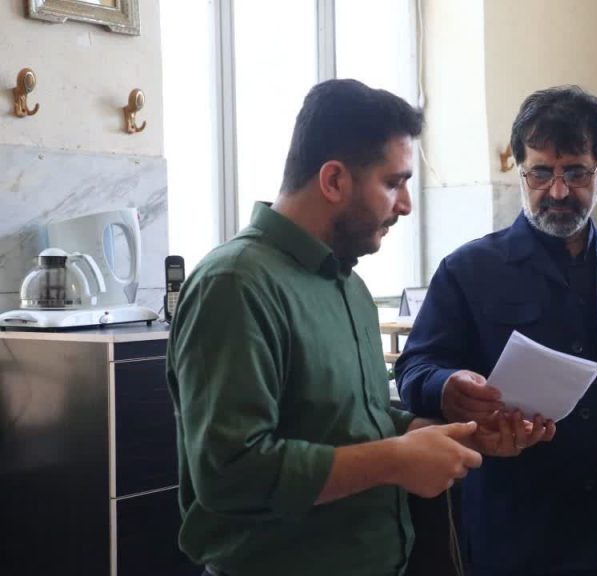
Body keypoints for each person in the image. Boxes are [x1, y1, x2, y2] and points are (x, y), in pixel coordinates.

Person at [167, 79, 552, 576]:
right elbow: (230, 474)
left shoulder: (347, 285)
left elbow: (357, 423)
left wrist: (462, 436)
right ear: (333, 180)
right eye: (393, 183)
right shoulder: (235, 284)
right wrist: (396, 460)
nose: (406, 204)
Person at [394, 85, 597, 576]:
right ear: (519, 170)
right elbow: (416, 368)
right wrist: (447, 386)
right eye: (540, 172)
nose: (558, 191)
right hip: (520, 535)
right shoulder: (469, 270)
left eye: (576, 172)